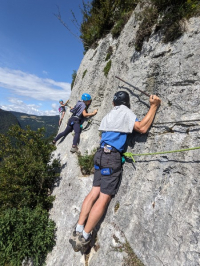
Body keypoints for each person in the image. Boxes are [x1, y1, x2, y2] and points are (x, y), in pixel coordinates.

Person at [69, 91, 161, 252]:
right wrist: (154, 106)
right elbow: (142, 127)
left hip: (99, 155)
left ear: (113, 103)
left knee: (93, 193)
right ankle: (84, 236)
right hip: (111, 157)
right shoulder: (126, 112)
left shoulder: (109, 115)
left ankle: (77, 229)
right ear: (127, 103)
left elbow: (102, 137)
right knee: (103, 198)